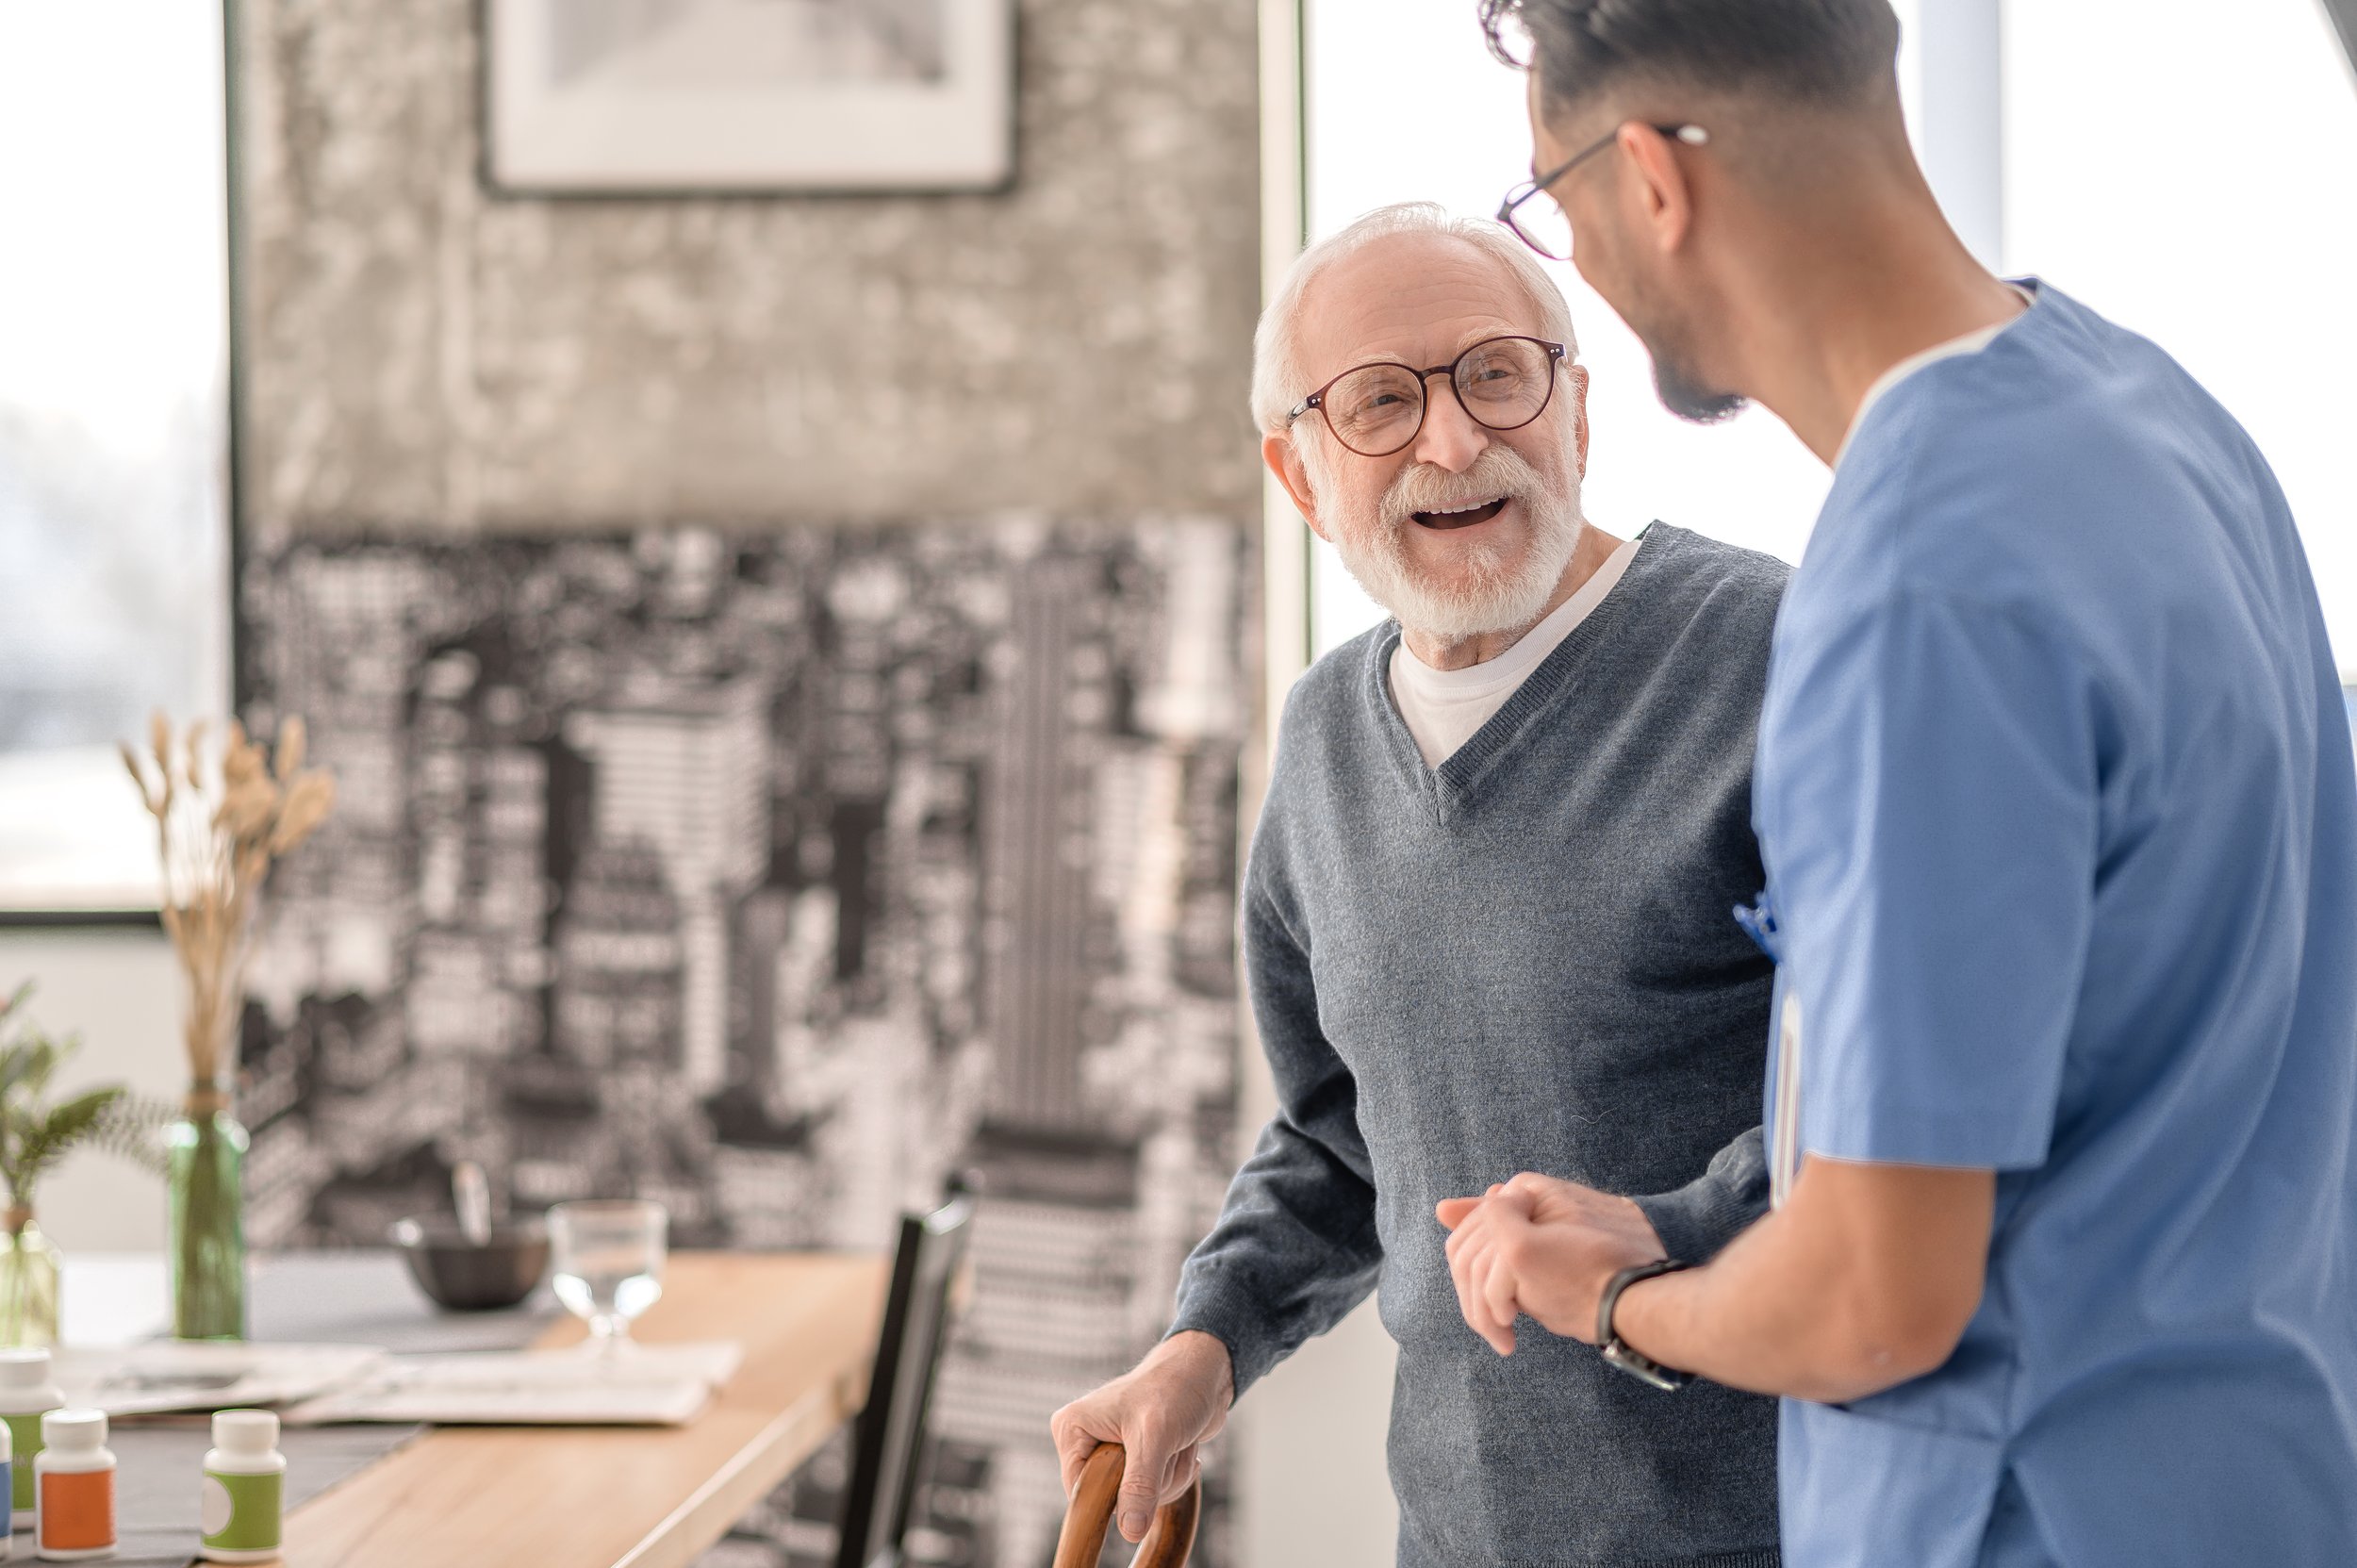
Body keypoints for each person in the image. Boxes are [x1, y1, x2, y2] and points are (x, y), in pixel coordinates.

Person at [1438, 3, 2357, 1564]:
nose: (1571, 255)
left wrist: (1612, 1296)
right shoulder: (2158, 420)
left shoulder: (1914, 591)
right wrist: (1680, 1220)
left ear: (1652, 179)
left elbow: (1876, 1302)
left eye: (1550, 198)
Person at [1050, 202, 1790, 1568]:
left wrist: (1653, 1241)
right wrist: (1196, 1357)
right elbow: (1343, 1141)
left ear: (1578, 407)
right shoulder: (1327, 736)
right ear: (1299, 475)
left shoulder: (1779, 659)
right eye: (1381, 403)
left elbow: (1891, 1140)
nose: (1453, 442)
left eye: (1497, 375)